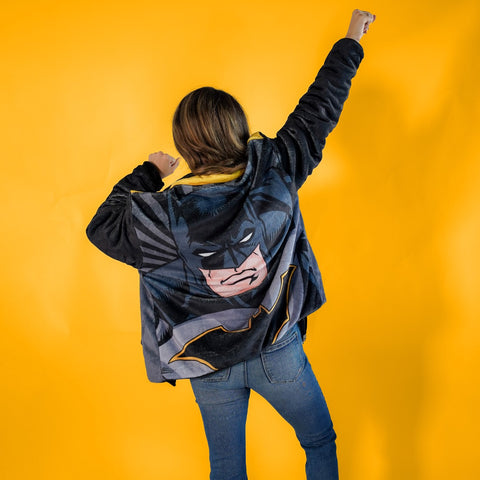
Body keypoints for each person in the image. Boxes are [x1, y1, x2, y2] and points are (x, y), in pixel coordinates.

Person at [86, 9, 375, 480]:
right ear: (238, 128)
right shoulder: (277, 169)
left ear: (184, 144)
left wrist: (150, 173)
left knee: (226, 467)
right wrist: (351, 41)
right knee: (320, 441)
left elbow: (102, 224)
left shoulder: (162, 216)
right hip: (277, 352)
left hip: (208, 363)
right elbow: (319, 108)